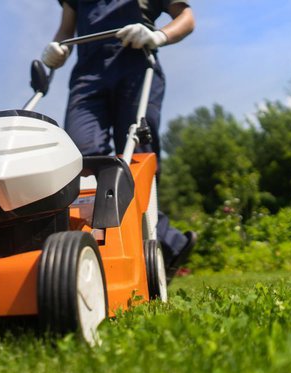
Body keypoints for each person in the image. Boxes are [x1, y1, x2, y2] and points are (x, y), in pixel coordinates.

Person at [42, 0, 197, 282]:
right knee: (82, 159)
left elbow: (186, 17)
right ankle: (166, 242)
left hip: (136, 65)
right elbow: (66, 31)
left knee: (136, 158)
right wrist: (56, 49)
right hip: (88, 77)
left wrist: (158, 35)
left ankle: (146, 246)